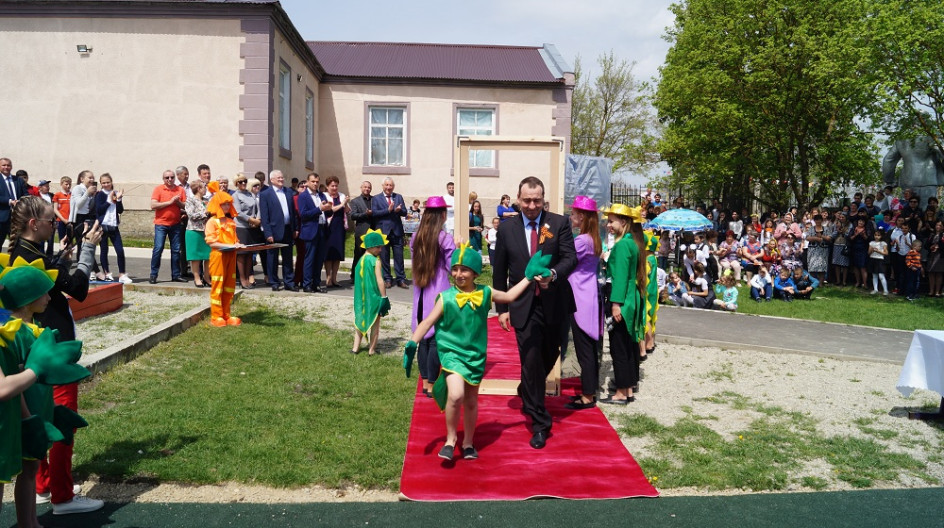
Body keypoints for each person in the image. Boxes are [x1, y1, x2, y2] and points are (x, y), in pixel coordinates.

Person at [8, 196, 105, 516]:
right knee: (61, 421)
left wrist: (61, 257)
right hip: (49, 351)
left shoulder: (20, 252)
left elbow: (49, 276)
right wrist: (87, 249)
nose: (56, 226)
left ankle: (45, 484)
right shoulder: (34, 257)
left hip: (33, 349)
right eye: (52, 222)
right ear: (35, 225)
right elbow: (77, 288)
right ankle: (63, 496)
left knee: (41, 417)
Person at [406, 243, 544, 460]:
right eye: (455, 269)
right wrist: (413, 342)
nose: (458, 274)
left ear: (475, 272)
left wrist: (528, 277)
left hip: (476, 355)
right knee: (456, 394)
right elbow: (428, 321)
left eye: (465, 269)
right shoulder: (446, 298)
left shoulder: (485, 293)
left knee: (471, 400)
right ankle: (450, 440)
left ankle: (468, 443)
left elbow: (508, 297)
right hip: (452, 353)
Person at [1, 259, 95, 526]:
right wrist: (29, 419)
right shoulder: (14, 334)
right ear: (27, 297)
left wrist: (48, 413)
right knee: (23, 470)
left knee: (30, 469)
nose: (48, 297)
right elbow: (11, 381)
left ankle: (30, 522)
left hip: (34, 409)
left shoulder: (31, 330)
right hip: (21, 414)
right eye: (44, 292)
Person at [492, 176, 576, 449]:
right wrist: (502, 308)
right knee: (530, 361)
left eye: (536, 200)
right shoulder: (506, 229)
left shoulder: (559, 223)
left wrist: (552, 274)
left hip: (555, 304)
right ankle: (540, 422)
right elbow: (499, 271)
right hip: (523, 306)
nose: (531, 205)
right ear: (518, 199)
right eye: (526, 200)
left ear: (543, 199)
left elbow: (569, 259)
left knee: (548, 357)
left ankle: (527, 390)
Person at [408, 196, 454, 396]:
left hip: (420, 292)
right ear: (442, 215)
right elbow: (453, 267)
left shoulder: (415, 237)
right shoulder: (445, 239)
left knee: (423, 338)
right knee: (435, 339)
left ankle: (425, 381)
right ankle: (433, 384)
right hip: (439, 292)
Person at [600, 203, 645, 405]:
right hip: (628, 298)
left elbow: (620, 277)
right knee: (626, 346)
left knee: (618, 346)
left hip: (621, 299)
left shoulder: (622, 245)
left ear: (623, 222)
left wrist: (615, 304)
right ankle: (626, 390)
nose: (608, 225)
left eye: (611, 221)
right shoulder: (630, 242)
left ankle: (620, 392)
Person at [564, 196, 602, 411]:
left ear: (583, 216)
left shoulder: (582, 241)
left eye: (574, 213)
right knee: (588, 348)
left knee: (584, 349)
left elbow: (564, 259)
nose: (571, 217)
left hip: (580, 297)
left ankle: (588, 395)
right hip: (588, 294)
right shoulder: (592, 239)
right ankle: (589, 390)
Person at [204, 181, 243, 327]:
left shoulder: (231, 222)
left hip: (230, 257)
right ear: (217, 205)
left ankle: (227, 314)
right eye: (224, 204)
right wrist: (230, 245)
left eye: (228, 204)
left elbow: (235, 241)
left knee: (229, 285)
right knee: (218, 285)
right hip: (218, 257)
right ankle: (216, 315)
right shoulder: (212, 222)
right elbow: (212, 242)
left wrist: (239, 246)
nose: (227, 206)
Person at [352, 229, 391, 356]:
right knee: (375, 324)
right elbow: (380, 281)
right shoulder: (376, 261)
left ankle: (355, 348)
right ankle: (372, 350)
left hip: (360, 299)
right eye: (379, 247)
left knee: (359, 321)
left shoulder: (360, 261)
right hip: (374, 297)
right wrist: (384, 297)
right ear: (371, 246)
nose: (381, 250)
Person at [259, 170, 297, 291]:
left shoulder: (288, 191)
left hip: (287, 229)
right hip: (274, 231)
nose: (281, 179)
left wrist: (295, 228)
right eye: (278, 178)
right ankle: (274, 282)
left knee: (288, 258)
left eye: (282, 177)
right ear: (272, 180)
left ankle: (289, 282)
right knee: (272, 258)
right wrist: (268, 233)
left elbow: (293, 212)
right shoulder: (265, 194)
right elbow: (265, 216)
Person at [149, 170, 188, 283]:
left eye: (172, 177)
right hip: (161, 224)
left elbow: (185, 206)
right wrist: (170, 202)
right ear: (163, 179)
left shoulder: (180, 190)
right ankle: (153, 274)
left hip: (175, 224)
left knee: (176, 250)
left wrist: (178, 202)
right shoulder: (158, 189)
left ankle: (176, 274)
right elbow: (153, 205)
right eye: (167, 177)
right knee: (158, 248)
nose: (170, 179)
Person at [370, 177, 408, 288]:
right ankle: (387, 278)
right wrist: (388, 210)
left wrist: (399, 210)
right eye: (386, 185)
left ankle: (401, 279)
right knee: (384, 257)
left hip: (396, 231)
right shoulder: (376, 198)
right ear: (383, 186)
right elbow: (374, 213)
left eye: (390, 185)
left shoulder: (398, 197)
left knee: (399, 257)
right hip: (383, 232)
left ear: (393, 187)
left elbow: (405, 212)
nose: (388, 187)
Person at [94, 173, 132, 284]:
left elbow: (120, 210)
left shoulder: (115, 193)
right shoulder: (99, 195)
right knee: (104, 250)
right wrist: (109, 201)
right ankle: (107, 273)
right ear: (101, 184)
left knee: (120, 250)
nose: (106, 184)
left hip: (114, 226)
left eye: (108, 182)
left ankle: (122, 274)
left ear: (111, 182)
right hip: (103, 226)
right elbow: (99, 210)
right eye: (103, 183)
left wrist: (119, 200)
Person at [297, 173, 328, 293]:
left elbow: (325, 212)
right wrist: (319, 209)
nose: (315, 184)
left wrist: (328, 209)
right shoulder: (303, 196)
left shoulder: (321, 195)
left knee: (319, 259)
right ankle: (307, 284)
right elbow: (303, 214)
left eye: (317, 181)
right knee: (310, 258)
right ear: (307, 182)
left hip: (322, 228)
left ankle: (316, 283)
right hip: (310, 230)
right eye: (313, 181)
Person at [232, 173, 261, 289]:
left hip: (252, 227)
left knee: (250, 253)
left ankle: (249, 276)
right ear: (236, 184)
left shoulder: (250, 194)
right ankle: (242, 279)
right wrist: (251, 220)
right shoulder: (235, 195)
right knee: (241, 254)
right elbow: (237, 212)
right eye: (240, 182)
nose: (243, 183)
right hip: (241, 227)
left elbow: (258, 207)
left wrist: (258, 219)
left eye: (244, 181)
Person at [321, 176, 350, 288]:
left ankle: (335, 278)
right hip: (329, 226)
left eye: (336, 185)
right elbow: (329, 210)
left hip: (339, 227)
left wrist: (346, 203)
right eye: (332, 185)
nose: (334, 188)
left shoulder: (342, 196)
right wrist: (342, 205)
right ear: (328, 186)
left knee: (337, 254)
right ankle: (328, 277)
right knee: (328, 254)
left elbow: (347, 211)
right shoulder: (324, 196)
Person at [185, 180, 211, 288]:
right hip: (194, 231)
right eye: (204, 187)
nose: (206, 189)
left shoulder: (206, 201)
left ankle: (206, 276)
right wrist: (205, 213)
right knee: (196, 256)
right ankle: (197, 277)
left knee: (208, 255)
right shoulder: (190, 200)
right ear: (199, 189)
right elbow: (191, 215)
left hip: (206, 231)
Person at [349, 180, 374, 285]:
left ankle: (369, 276)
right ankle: (354, 276)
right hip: (361, 230)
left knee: (371, 255)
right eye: (365, 187)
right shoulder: (355, 201)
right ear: (361, 188)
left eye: (368, 187)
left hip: (373, 231)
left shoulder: (375, 200)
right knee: (359, 254)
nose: (367, 189)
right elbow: (353, 215)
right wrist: (365, 214)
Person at [0, 157, 26, 243]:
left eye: (8, 165)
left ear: (11, 167)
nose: (6, 167)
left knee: (17, 245)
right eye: (4, 165)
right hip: (2, 218)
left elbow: (26, 195)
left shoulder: (18, 180)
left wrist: (20, 202)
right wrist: (9, 201)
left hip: (17, 218)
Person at [805, 214, 833, 285]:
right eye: (816, 219)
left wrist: (822, 236)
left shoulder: (826, 229)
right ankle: (813, 283)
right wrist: (816, 238)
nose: (818, 221)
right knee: (812, 267)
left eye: (819, 219)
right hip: (812, 250)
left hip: (823, 251)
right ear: (814, 220)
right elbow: (807, 238)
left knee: (822, 267)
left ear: (822, 220)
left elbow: (829, 238)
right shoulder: (811, 228)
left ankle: (820, 283)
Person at [847, 217, 871, 289]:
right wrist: (855, 235)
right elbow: (849, 238)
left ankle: (865, 283)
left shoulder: (866, 229)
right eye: (860, 221)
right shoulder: (853, 229)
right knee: (855, 267)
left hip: (863, 249)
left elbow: (869, 239)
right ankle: (858, 282)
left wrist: (863, 235)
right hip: (854, 249)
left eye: (862, 221)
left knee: (863, 267)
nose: (861, 222)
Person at [925, 220, 944, 297]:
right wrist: (931, 246)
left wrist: (938, 246)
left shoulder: (943, 235)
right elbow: (926, 246)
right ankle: (931, 291)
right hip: (931, 255)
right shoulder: (932, 234)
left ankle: (937, 292)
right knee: (931, 273)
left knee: (938, 273)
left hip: (940, 256)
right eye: (937, 225)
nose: (937, 227)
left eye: (939, 225)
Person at [868, 229, 890, 295]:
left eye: (878, 235)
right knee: (874, 275)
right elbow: (868, 253)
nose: (876, 237)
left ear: (881, 236)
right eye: (875, 235)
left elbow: (886, 253)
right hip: (873, 259)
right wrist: (871, 250)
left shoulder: (883, 243)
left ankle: (885, 290)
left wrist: (878, 251)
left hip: (880, 260)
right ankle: (875, 289)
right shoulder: (871, 243)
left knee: (881, 275)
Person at [53, 176, 72, 247]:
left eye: (69, 184)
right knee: (62, 239)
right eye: (66, 184)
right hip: (61, 220)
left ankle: (69, 255)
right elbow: (55, 209)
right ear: (61, 184)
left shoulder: (72, 194)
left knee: (70, 240)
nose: (68, 186)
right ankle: (62, 255)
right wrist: (63, 219)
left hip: (70, 220)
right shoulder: (57, 195)